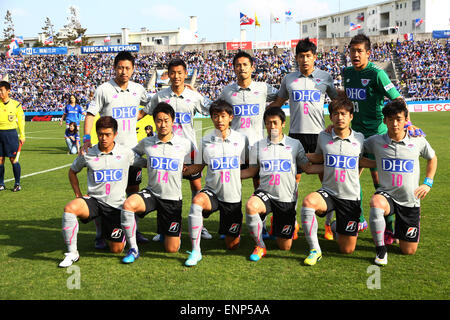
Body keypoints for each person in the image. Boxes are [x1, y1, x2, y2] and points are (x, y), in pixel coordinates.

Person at [268, 38, 338, 239]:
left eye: (308, 56)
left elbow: (336, 102)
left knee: (327, 179)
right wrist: (259, 118)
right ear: (296, 57)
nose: (305, 59)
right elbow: (278, 103)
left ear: (315, 57)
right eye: (301, 56)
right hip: (296, 136)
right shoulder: (289, 79)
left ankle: (327, 224)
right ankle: (292, 221)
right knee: (292, 181)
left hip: (320, 137)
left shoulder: (325, 77)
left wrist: (335, 122)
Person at [82, 51, 149, 248]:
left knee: (132, 193)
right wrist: (87, 138)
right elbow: (90, 113)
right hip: (108, 154)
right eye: (120, 67)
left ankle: (133, 230)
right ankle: (100, 234)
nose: (124, 71)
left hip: (132, 152)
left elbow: (151, 104)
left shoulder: (138, 89)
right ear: (114, 68)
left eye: (128, 68)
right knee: (103, 195)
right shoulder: (104, 89)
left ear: (133, 69)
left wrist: (139, 116)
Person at [58, 116, 146, 267]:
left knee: (116, 250)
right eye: (100, 134)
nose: (103, 138)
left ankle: (107, 232)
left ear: (115, 134)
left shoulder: (126, 153)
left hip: (116, 206)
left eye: (107, 134)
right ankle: (72, 253)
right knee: (70, 209)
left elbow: (145, 163)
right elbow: (72, 172)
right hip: (94, 202)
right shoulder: (88, 153)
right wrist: (78, 195)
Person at [300, 93, 375, 266]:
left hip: (350, 197)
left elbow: (360, 160)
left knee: (347, 249)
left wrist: (379, 163)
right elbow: (320, 157)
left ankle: (335, 226)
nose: (339, 117)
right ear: (331, 116)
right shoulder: (323, 136)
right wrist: (297, 155)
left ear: (351, 117)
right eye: (336, 114)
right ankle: (315, 250)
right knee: (309, 202)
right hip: (329, 192)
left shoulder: (360, 138)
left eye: (343, 114)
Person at [145, 58, 213, 241]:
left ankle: (200, 226)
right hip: (165, 150)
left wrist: (197, 91)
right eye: (173, 73)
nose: (176, 76)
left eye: (180, 73)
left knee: (196, 188)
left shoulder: (193, 96)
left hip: (188, 149)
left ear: (185, 74)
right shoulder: (160, 96)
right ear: (168, 75)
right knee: (163, 188)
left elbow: (212, 108)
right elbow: (145, 111)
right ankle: (164, 230)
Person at [241, 107, 321, 262]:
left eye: (275, 123)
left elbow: (307, 168)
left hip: (286, 198)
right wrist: (231, 174)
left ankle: (275, 222)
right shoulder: (257, 146)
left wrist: (331, 167)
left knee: (285, 246)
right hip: (265, 194)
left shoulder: (295, 144)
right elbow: (251, 171)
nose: (272, 126)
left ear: (283, 123)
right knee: (251, 206)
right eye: (268, 123)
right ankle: (260, 245)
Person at [364, 100, 437, 266]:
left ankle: (399, 231)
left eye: (398, 119)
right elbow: (354, 150)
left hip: (410, 199)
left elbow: (432, 158)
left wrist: (428, 182)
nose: (395, 123)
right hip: (387, 195)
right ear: (385, 121)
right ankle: (381, 250)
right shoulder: (375, 141)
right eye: (390, 119)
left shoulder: (418, 140)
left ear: (406, 120)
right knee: (376, 203)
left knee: (408, 251)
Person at [120, 102, 195, 263]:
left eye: (166, 120)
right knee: (128, 205)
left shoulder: (184, 143)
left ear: (173, 121)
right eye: (159, 120)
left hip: (172, 198)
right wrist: (144, 163)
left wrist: (188, 168)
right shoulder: (148, 142)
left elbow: (199, 157)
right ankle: (133, 248)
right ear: (154, 122)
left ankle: (167, 231)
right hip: (152, 193)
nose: (163, 124)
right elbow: (132, 155)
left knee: (171, 249)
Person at [183, 99, 249, 267]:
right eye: (215, 116)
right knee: (197, 202)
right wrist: (182, 170)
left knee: (232, 245)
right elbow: (199, 165)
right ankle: (196, 250)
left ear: (231, 117)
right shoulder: (205, 139)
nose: (219, 120)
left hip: (232, 196)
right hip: (212, 192)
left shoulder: (241, 139)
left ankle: (228, 231)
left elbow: (250, 164)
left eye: (223, 116)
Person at [0, 81, 25, 192]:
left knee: (13, 159)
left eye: (2, 90)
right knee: (0, 160)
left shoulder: (16, 104)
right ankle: (1, 183)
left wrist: (22, 135)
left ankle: (17, 183)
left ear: (8, 91)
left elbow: (21, 120)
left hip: (11, 134)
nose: (0, 92)